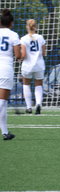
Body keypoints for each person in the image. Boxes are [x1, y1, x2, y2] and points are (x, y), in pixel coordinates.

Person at [0, 9, 23, 140]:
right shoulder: (13, 35)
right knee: (2, 102)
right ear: (11, 23)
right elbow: (18, 55)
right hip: (5, 69)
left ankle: (5, 132)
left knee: (3, 104)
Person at [20, 19, 46, 115]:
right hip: (39, 64)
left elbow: (23, 54)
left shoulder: (23, 39)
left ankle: (29, 107)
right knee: (38, 85)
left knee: (26, 84)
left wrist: (19, 58)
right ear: (36, 27)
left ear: (27, 27)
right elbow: (44, 53)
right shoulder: (40, 37)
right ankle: (38, 104)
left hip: (27, 65)